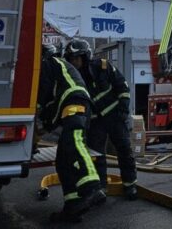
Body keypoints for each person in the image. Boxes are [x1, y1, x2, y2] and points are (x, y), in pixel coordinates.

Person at [63, 38, 138, 200]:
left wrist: (123, 109)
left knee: (124, 150)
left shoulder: (103, 67)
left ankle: (130, 185)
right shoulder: (72, 79)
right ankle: (100, 189)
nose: (75, 62)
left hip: (115, 117)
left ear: (85, 56)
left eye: (77, 58)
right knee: (97, 156)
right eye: (72, 59)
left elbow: (122, 86)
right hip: (95, 122)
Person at [37, 47, 104, 222]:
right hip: (72, 106)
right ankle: (72, 206)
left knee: (74, 142)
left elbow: (43, 95)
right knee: (63, 160)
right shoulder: (57, 70)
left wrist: (37, 111)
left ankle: (92, 186)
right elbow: (52, 107)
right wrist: (43, 126)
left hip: (75, 103)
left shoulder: (48, 64)